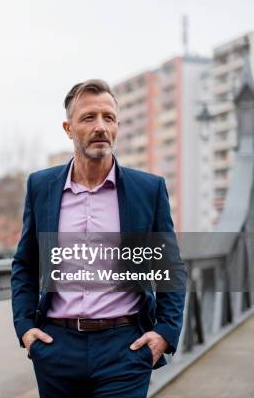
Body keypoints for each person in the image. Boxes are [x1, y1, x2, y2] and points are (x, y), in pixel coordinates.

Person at [11, 79, 186, 397]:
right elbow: (24, 262)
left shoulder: (148, 189)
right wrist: (25, 327)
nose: (101, 126)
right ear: (68, 128)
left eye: (109, 117)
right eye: (89, 117)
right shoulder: (41, 187)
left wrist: (165, 332)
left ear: (118, 125)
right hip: (56, 348)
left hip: (125, 348)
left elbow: (170, 266)